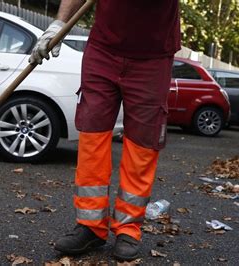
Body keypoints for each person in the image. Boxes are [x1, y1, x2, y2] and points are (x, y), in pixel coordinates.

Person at [29, 0, 180, 261]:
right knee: (92, 137)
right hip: (103, 49)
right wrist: (58, 24)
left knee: (142, 146)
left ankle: (128, 229)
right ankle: (90, 226)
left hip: (153, 55)